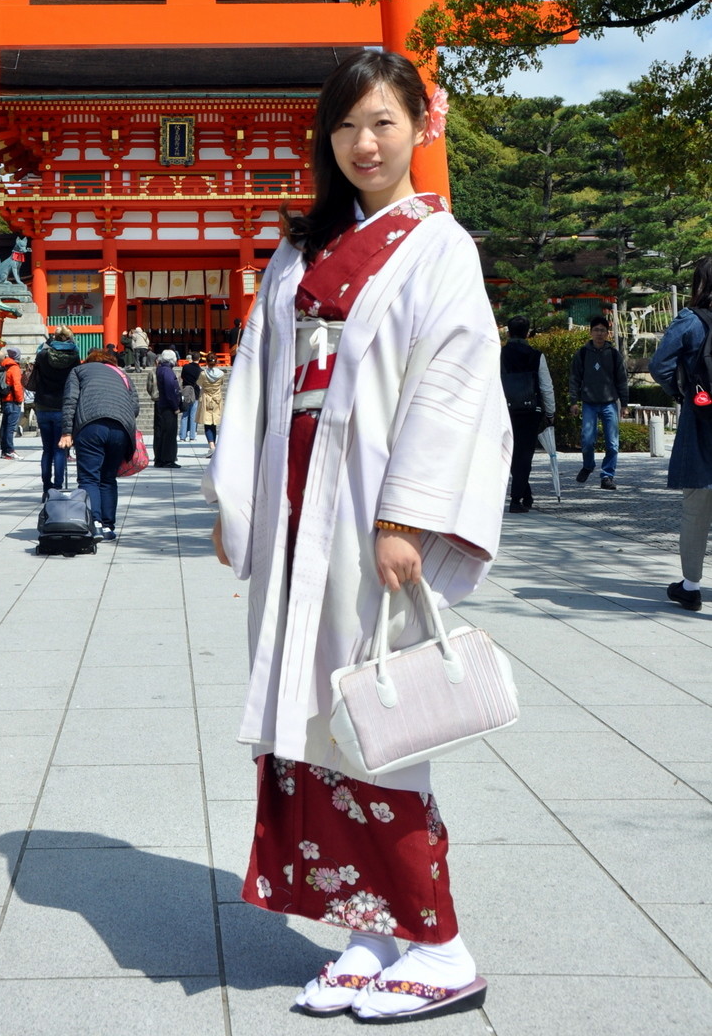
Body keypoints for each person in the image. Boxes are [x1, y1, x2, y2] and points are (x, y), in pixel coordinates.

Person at [204, 50, 509, 1023]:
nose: (363, 143)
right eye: (344, 127)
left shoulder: (439, 247)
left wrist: (406, 516)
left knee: (378, 728)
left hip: (370, 511)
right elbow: (256, 373)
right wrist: (236, 501)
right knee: (311, 722)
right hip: (300, 507)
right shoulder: (301, 252)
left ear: (425, 121)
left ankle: (437, 937)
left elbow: (453, 386)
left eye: (381, 121)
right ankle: (367, 929)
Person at [650, 257, 712, 611]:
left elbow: (660, 365)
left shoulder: (690, 320)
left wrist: (680, 392)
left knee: (697, 505)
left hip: (702, 419)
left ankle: (690, 587)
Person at [59, 347, 140, 539]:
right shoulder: (122, 374)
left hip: (91, 425)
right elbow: (135, 405)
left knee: (89, 478)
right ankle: (108, 526)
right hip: (121, 427)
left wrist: (66, 432)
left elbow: (71, 400)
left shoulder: (79, 371)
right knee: (108, 478)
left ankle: (94, 522)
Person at [500, 317, 555, 512]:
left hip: (504, 409)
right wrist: (550, 412)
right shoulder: (536, 355)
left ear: (508, 332)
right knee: (524, 454)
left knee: (511, 453)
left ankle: (526, 494)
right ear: (528, 333)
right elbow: (546, 386)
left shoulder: (500, 354)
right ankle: (517, 499)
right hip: (530, 410)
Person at [569, 316, 628, 491]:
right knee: (587, 440)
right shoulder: (582, 353)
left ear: (607, 333)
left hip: (609, 403)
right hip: (589, 403)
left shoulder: (613, 354)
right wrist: (573, 401)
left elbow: (622, 380)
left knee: (612, 443)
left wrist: (624, 404)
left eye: (603, 330)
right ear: (590, 332)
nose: (599, 333)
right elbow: (574, 379)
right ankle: (588, 465)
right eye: (596, 330)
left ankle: (607, 476)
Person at [26, 326, 81, 501]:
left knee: (46, 450)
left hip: (43, 405)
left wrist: (49, 342)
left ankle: (46, 487)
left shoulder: (43, 356)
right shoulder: (74, 357)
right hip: (63, 406)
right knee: (60, 450)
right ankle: (57, 487)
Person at [0, 345, 24, 459]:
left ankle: (4, 450)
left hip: (5, 400)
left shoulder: (4, 366)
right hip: (13, 400)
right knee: (10, 427)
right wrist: (20, 399)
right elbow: (17, 385)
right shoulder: (14, 368)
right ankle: (10, 450)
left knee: (5, 426)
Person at [153, 348, 181, 467]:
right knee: (169, 433)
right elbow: (170, 390)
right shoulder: (167, 371)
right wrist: (175, 406)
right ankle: (168, 459)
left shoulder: (160, 369)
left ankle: (159, 458)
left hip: (162, 404)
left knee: (161, 432)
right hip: (168, 406)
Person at [197, 354, 226, 453]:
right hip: (216, 399)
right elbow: (222, 383)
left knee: (207, 422)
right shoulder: (221, 374)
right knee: (214, 423)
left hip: (206, 398)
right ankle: (214, 444)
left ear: (207, 362)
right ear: (216, 361)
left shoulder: (203, 374)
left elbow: (199, 383)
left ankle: (211, 445)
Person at [180, 353, 202, 442]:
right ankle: (192, 436)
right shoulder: (200, 370)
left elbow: (182, 376)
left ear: (191, 358)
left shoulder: (185, 367)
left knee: (185, 414)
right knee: (193, 415)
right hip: (195, 392)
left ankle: (182, 436)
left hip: (186, 391)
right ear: (199, 359)